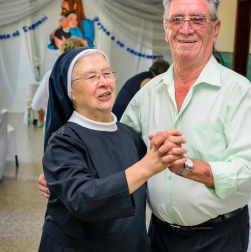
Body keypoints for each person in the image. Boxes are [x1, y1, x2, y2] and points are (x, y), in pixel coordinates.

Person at [39, 0, 251, 252]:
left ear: (215, 29)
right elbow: (116, 149)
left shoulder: (237, 91)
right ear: (166, 30)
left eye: (197, 19)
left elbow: (248, 173)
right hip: (158, 236)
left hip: (218, 236)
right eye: (176, 19)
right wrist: (65, 172)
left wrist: (190, 167)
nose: (186, 28)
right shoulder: (148, 95)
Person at [38, 47, 187, 251]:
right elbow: (83, 199)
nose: (104, 82)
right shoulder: (63, 142)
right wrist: (147, 166)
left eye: (107, 73)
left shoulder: (129, 135)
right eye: (91, 76)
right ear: (70, 90)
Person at [32, 37, 87, 124]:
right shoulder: (88, 75)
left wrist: (40, 111)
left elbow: (36, 102)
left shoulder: (51, 74)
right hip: (81, 123)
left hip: (54, 123)